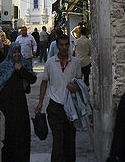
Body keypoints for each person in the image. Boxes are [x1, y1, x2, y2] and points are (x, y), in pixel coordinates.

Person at [35, 34, 83, 162]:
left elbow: (79, 82)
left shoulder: (76, 62)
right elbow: (44, 82)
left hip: (71, 107)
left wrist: (76, 87)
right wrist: (40, 102)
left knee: (70, 141)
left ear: (69, 45)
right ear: (57, 46)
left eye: (66, 44)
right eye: (61, 45)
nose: (64, 47)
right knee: (58, 141)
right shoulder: (50, 63)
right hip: (55, 106)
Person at [0, 43, 36, 162]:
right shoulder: (4, 66)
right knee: (8, 135)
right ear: (10, 53)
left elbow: (32, 80)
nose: (16, 55)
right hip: (6, 106)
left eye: (18, 52)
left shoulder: (24, 64)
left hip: (20, 106)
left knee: (21, 135)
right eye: (14, 52)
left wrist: (21, 69)